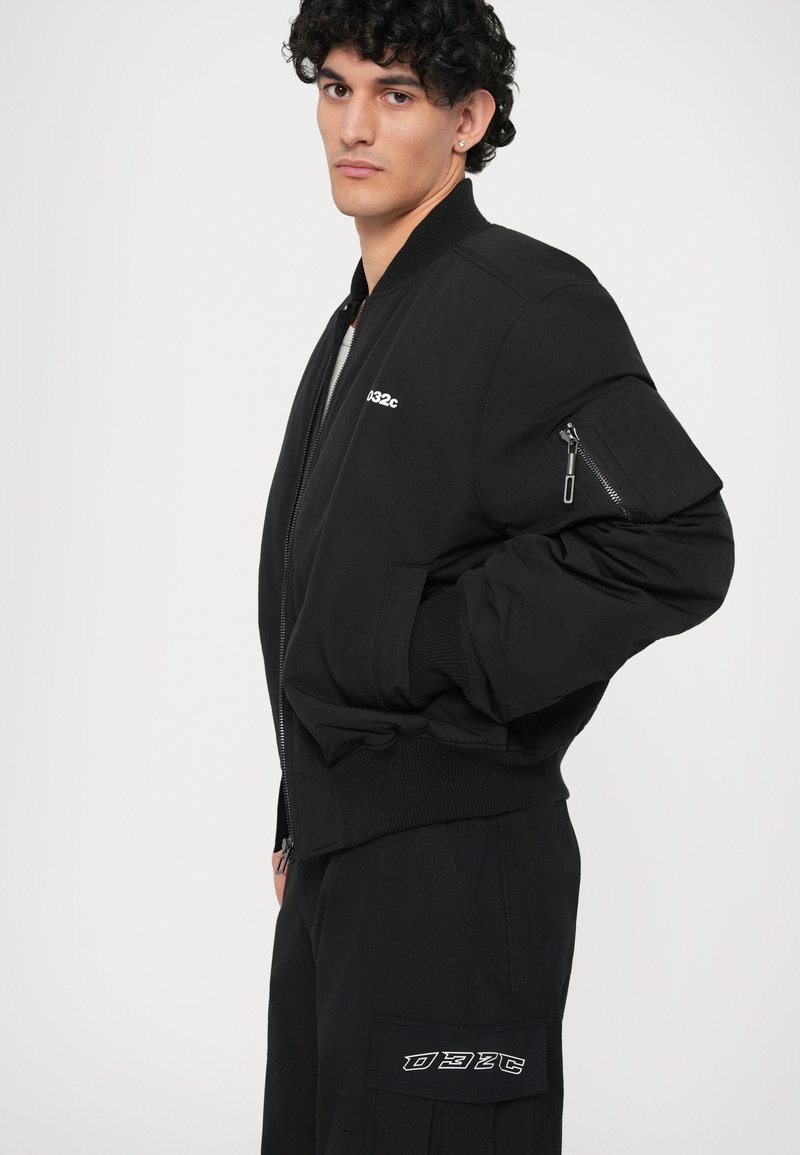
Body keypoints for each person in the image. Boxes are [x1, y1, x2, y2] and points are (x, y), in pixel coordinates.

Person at [257, 1, 735, 1151]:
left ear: (467, 120)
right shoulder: (363, 322)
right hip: (340, 859)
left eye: (396, 94)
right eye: (335, 87)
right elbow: (335, 577)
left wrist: (410, 652)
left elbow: (674, 542)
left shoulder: (523, 305)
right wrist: (304, 809)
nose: (353, 126)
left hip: (455, 869)